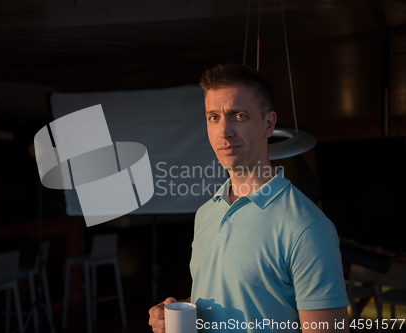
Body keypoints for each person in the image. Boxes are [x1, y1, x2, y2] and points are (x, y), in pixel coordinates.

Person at [148, 63, 349, 332]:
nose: (224, 132)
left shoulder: (306, 227)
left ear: (269, 124)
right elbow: (226, 298)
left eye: (239, 115)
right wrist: (178, 311)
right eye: (213, 117)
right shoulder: (207, 212)